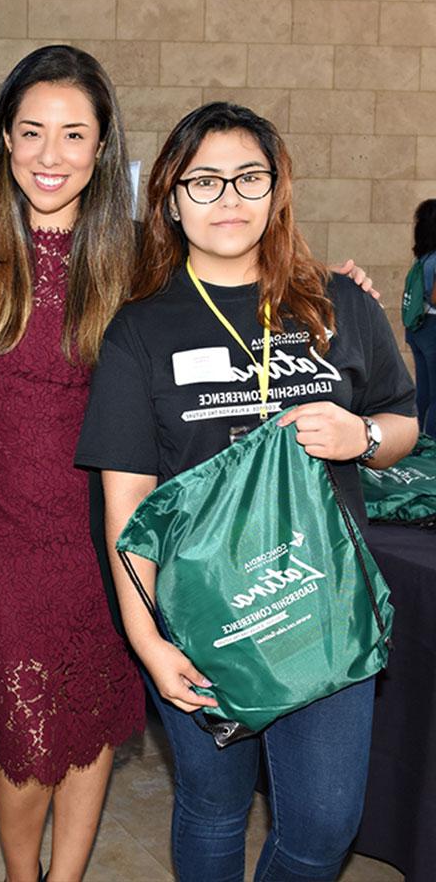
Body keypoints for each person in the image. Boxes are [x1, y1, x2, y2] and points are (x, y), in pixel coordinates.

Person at [76, 101, 418, 882]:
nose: (228, 198)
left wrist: (359, 438)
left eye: (248, 177)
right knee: (214, 803)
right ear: (168, 196)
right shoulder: (140, 331)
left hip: (323, 611)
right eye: (204, 181)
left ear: (277, 188)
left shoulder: (338, 302)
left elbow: (402, 420)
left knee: (326, 826)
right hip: (203, 620)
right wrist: (149, 642)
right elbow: (125, 508)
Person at [0, 45, 145, 882]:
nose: (50, 156)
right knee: (26, 740)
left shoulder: (130, 254)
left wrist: (331, 296)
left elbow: (218, 307)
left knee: (91, 722)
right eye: (32, 132)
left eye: (73, 135)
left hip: (102, 537)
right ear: (5, 140)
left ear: (100, 148)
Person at [406, 198, 436, 437]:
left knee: (424, 391)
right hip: (434, 328)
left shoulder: (423, 257)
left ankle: (416, 440)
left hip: (418, 328)